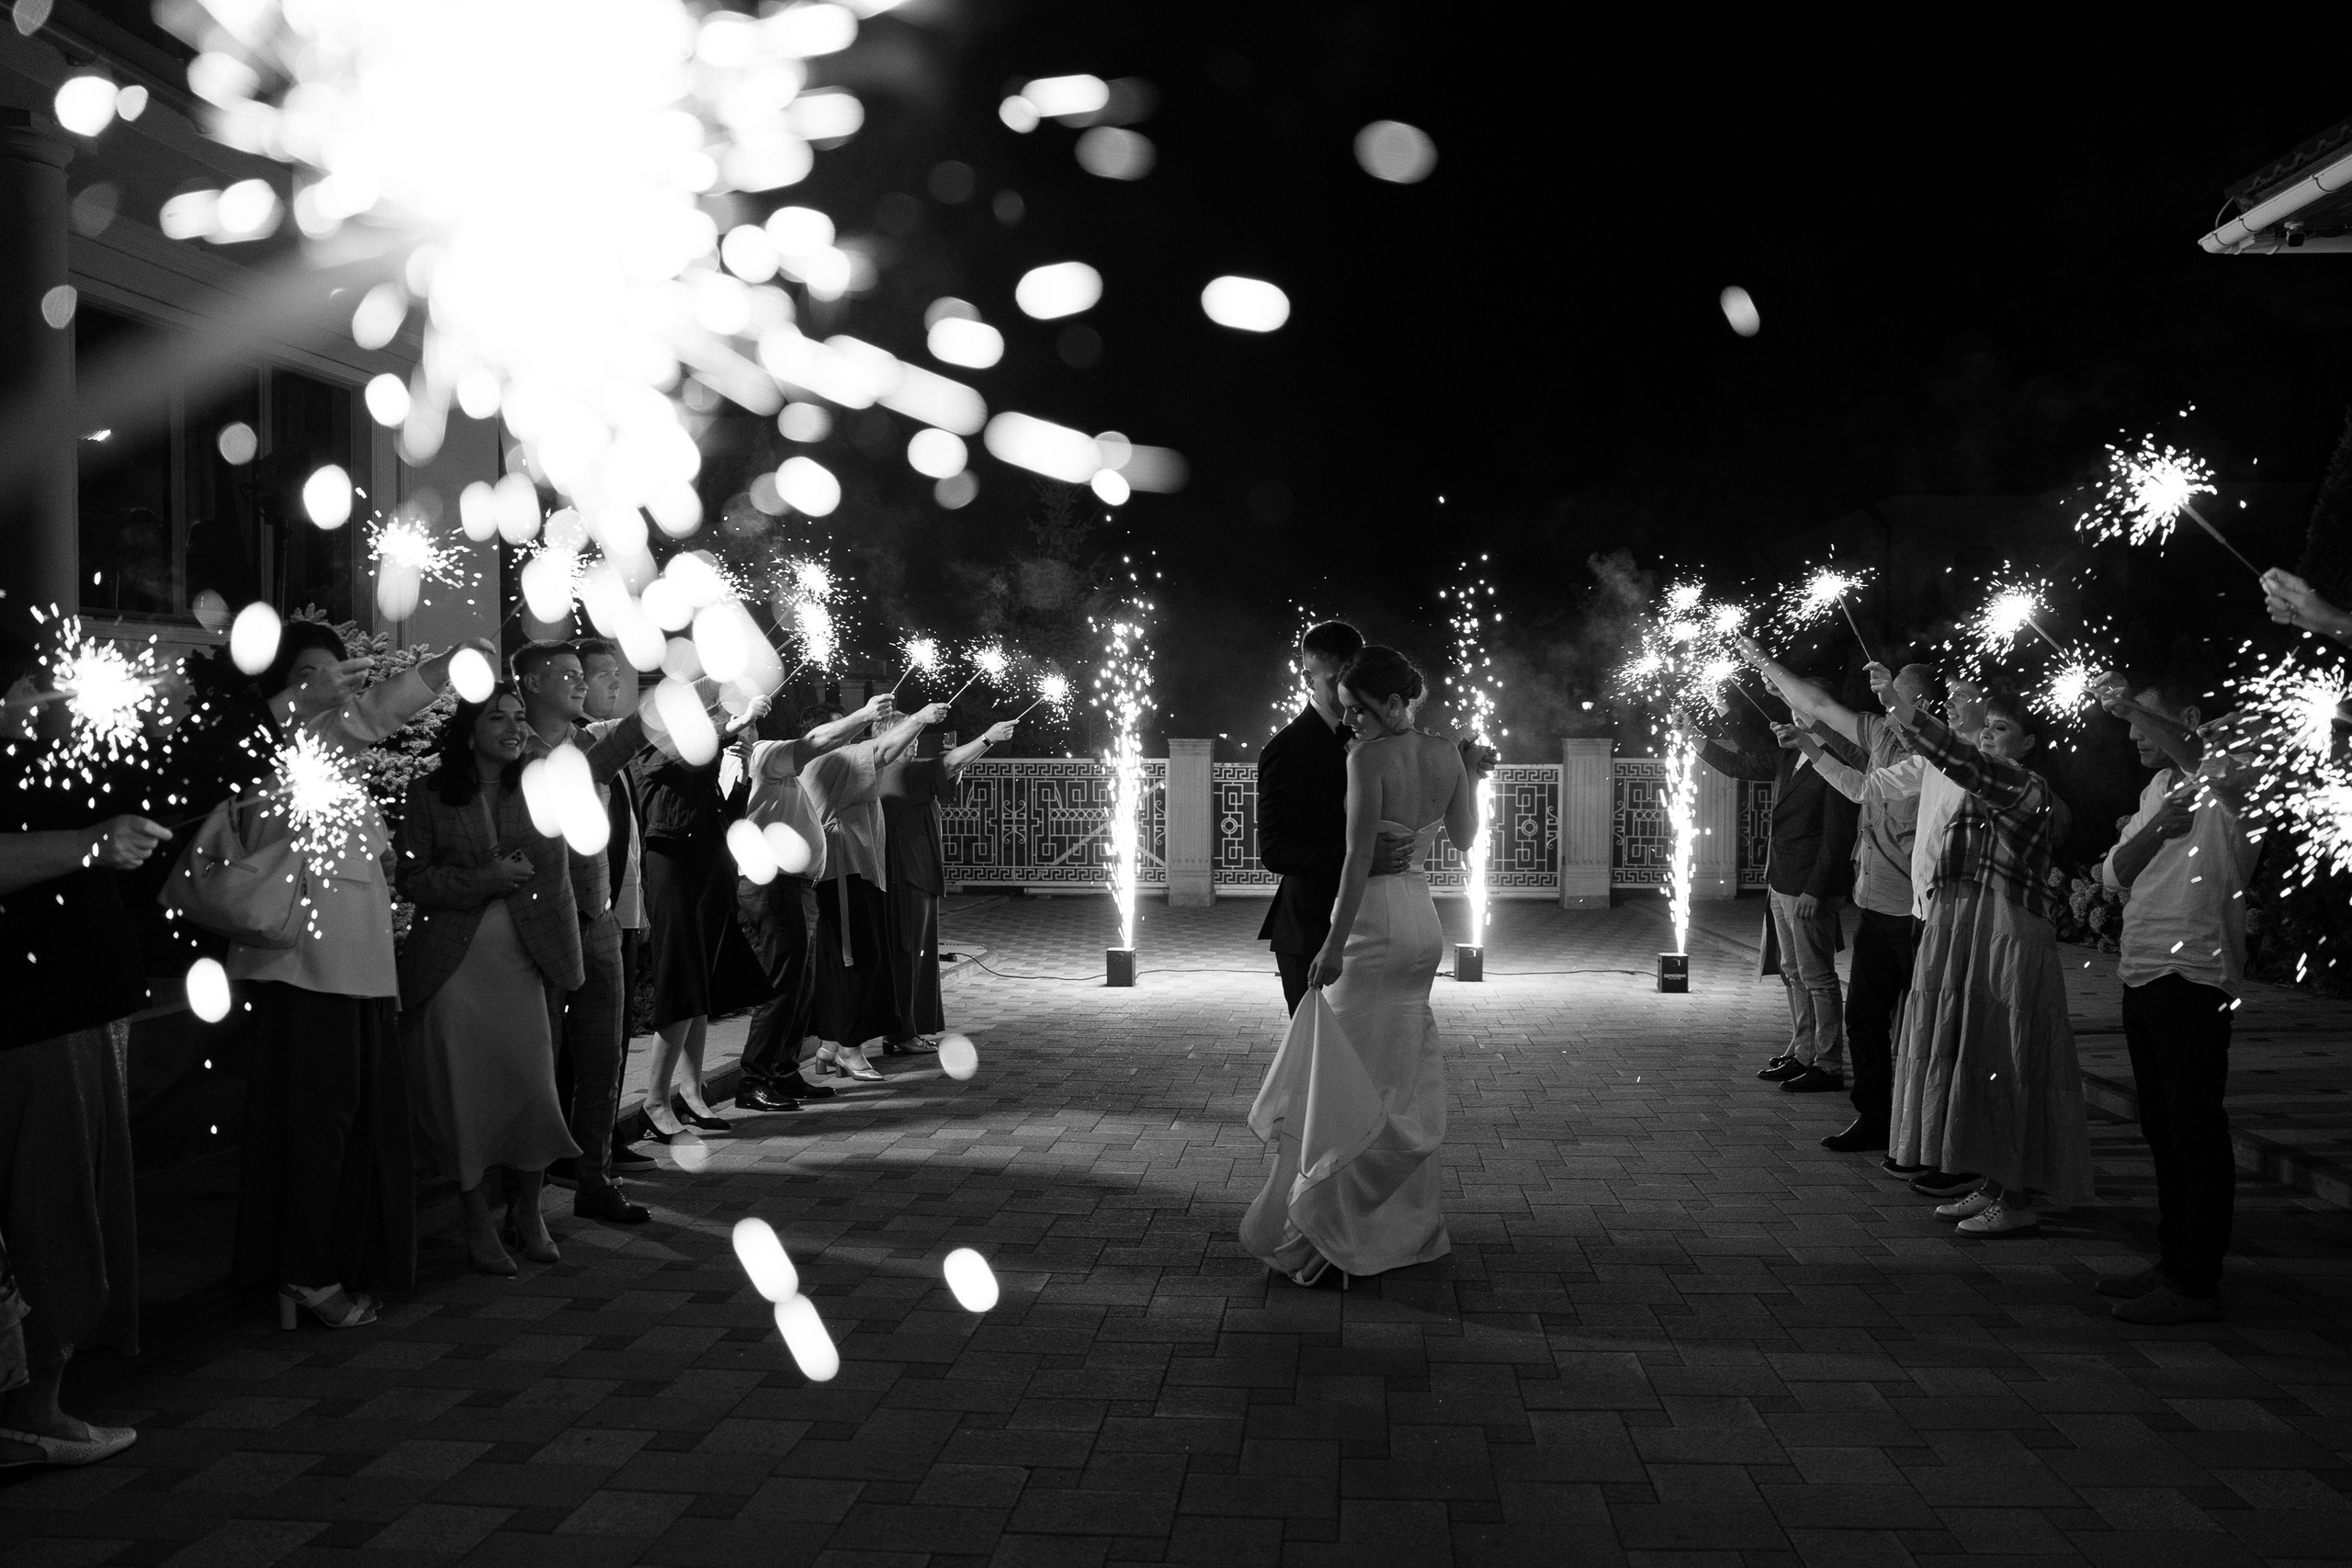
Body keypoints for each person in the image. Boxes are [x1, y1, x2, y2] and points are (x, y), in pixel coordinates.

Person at [227, 623, 487, 1329]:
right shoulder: (281, 748)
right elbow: (372, 716)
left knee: (334, 1130)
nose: (330, 688)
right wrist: (437, 670)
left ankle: (306, 1271)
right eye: (311, 676)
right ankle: (305, 1274)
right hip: (309, 976)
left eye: (338, 674)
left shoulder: (326, 760)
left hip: (350, 976)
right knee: (317, 1131)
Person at [1241, 647, 1476, 1287]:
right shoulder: (1447, 753)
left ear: (1395, 704)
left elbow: (1355, 861)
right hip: (1423, 927)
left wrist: (1334, 944)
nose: (1350, 726)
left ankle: (1338, 1232)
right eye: (1344, 714)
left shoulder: (1367, 758)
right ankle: (1400, 1224)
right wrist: (1470, 772)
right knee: (1397, 1069)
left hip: (1372, 927)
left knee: (1349, 1074)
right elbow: (1465, 838)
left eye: (1360, 712)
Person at [0, 648, 173, 1466]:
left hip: (74, 1020)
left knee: (74, 1205)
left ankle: (42, 1399)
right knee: (49, 1210)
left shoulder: (44, 759)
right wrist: (87, 846)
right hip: (33, 1027)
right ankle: (33, 1411)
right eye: (41, 687)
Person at [1874, 671, 2093, 1235]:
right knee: (1979, 1055)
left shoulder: (2024, 788)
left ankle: (2016, 1199)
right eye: (1988, 726)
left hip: (2007, 936)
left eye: (2003, 728)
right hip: (1973, 931)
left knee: (2007, 1058)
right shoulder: (1987, 789)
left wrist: (1903, 711)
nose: (1991, 735)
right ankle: (1993, 1182)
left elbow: (1961, 762)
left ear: (2029, 743)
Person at [396, 686, 584, 1275]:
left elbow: (605, 757)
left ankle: (528, 1212)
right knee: (465, 1099)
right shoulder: (429, 794)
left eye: (519, 716)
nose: (511, 726)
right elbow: (413, 879)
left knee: (532, 1092)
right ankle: (476, 1218)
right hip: (453, 972)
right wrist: (487, 876)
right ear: (470, 729)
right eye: (496, 717)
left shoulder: (538, 785)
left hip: (524, 965)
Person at [2096, 671, 2256, 1324]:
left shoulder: (2233, 780)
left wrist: (2130, 699)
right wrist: (2156, 826)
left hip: (2195, 974)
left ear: (2187, 714)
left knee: (2195, 1129)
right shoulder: (2157, 789)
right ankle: (2172, 1258)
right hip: (2141, 971)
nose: (2133, 732)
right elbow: (2110, 874)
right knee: (2162, 1129)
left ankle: (2198, 1279)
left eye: (2143, 718)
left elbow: (2205, 757)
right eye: (2128, 721)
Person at [1742, 639, 1934, 1152]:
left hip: (1919, 912)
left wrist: (1810, 740)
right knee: (1865, 1021)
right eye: (1887, 698)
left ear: (1928, 710)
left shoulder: (1937, 758)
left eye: (1900, 697)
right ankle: (1875, 1118)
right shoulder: (1881, 736)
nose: (1887, 704)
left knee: (1916, 1027)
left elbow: (1861, 789)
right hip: (1876, 904)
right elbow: (1824, 713)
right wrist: (1766, 664)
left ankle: (1924, 1129)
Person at [512, 640, 650, 1225]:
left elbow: (631, 738)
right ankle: (527, 1197)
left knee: (603, 1059)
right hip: (538, 929)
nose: (578, 683)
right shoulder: (513, 750)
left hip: (598, 920)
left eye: (580, 674)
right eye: (566, 675)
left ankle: (596, 1178)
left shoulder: (588, 741)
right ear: (531, 685)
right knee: (538, 1066)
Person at [730, 694, 899, 1112]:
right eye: (743, 723)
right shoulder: (764, 757)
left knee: (800, 988)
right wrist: (865, 715)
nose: (752, 728)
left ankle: (784, 1073)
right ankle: (754, 1079)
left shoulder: (776, 767)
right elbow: (818, 742)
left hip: (795, 887)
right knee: (782, 988)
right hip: (774, 886)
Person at [1699, 686, 1859, 1096]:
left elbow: (1836, 839)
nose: (1791, 716)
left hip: (1807, 887)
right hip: (1781, 881)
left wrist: (1816, 890)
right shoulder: (1792, 753)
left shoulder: (1835, 763)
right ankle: (1803, 1051)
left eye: (1799, 709)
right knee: (1791, 971)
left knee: (1818, 976)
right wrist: (1700, 737)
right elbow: (1742, 763)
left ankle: (1828, 1062)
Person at [1256, 621, 1416, 1015]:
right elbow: (1275, 852)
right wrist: (1359, 861)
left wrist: (1467, 767)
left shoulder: (1380, 739)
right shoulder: (1286, 749)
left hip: (1378, 927)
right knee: (1319, 1059)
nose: (1350, 696)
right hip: (1312, 931)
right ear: (1307, 677)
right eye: (1335, 681)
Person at [633, 696, 769, 1140]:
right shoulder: (652, 748)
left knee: (701, 985)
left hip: (708, 868)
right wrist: (735, 725)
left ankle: (691, 1092)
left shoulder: (699, 766)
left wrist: (742, 771)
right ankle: (655, 1100)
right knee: (681, 982)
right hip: (674, 866)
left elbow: (726, 820)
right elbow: (672, 759)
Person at [801, 700, 952, 1080]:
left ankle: (830, 1047)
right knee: (856, 963)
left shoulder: (837, 761)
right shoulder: (827, 761)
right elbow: (884, 750)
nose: (847, 735)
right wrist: (917, 718)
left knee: (849, 962)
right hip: (842, 872)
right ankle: (849, 1049)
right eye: (841, 728)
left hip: (856, 872)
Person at [876, 719, 1017, 1053]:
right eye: (908, 736)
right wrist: (987, 737)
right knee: (909, 955)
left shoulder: (903, 772)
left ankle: (905, 1030)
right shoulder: (897, 772)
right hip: (908, 875)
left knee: (916, 955)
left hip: (916, 874)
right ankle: (901, 1032)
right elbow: (950, 763)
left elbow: (948, 771)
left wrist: (960, 761)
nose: (914, 743)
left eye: (916, 737)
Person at [576, 639, 657, 1177]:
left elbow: (628, 843)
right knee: (584, 1043)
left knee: (616, 1033)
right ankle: (579, 1145)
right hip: (588, 913)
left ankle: (602, 1137)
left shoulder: (608, 746)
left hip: (623, 908)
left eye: (615, 673)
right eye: (599, 674)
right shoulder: (583, 745)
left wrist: (641, 907)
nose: (612, 683)